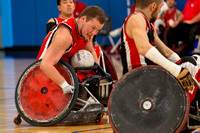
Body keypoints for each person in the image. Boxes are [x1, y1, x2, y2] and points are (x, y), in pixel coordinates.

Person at [120, 0, 200, 104]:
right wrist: (177, 70)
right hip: (138, 78)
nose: (160, 11)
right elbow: (144, 48)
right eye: (161, 7)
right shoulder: (136, 18)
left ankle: (193, 106)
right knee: (190, 64)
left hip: (152, 73)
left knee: (195, 61)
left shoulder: (148, 23)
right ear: (153, 6)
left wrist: (180, 67)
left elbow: (166, 52)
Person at [36, 6, 106, 94]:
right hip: (45, 76)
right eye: (93, 27)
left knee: (97, 49)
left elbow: (91, 51)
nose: (94, 33)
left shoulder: (87, 33)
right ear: (83, 19)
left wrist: (99, 73)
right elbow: (45, 65)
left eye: (98, 30)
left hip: (66, 69)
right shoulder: (65, 36)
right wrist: (64, 85)